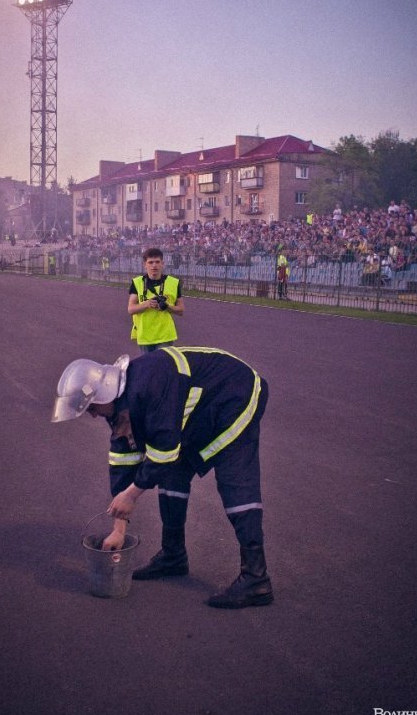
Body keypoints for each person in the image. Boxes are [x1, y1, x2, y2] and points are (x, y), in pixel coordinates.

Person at [51, 346, 274, 609]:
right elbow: (123, 462)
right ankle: (173, 555)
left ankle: (255, 579)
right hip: (204, 404)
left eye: (91, 407)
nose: (92, 414)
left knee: (234, 480)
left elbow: (164, 454)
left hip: (236, 392)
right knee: (172, 476)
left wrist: (132, 496)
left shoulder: (150, 386)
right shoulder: (118, 404)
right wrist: (118, 529)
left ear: (103, 393)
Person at [128, 247, 184, 352]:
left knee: (162, 366)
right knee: (149, 367)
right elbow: (131, 309)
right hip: (145, 335)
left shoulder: (174, 283)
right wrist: (147, 304)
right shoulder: (137, 283)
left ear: (162, 263)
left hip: (165, 335)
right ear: (145, 265)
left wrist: (167, 307)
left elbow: (181, 310)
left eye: (157, 262)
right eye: (150, 262)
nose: (154, 265)